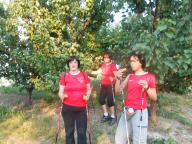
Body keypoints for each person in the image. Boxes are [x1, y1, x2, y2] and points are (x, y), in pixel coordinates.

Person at [115, 52, 157, 144]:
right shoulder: (130, 76)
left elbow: (154, 97)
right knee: (119, 140)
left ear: (141, 62)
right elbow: (118, 90)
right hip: (127, 111)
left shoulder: (150, 76)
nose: (131, 63)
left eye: (134, 61)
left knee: (139, 141)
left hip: (140, 112)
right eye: (131, 61)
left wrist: (147, 87)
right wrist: (117, 78)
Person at [58, 55, 91, 144]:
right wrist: (62, 96)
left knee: (81, 133)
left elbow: (88, 90)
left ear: (78, 64)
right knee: (69, 132)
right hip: (67, 108)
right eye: (71, 62)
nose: (73, 64)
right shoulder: (64, 76)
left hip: (82, 108)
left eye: (75, 62)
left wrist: (87, 96)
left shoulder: (84, 75)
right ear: (68, 64)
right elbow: (60, 92)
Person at [91, 52, 117, 126]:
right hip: (103, 85)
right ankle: (106, 115)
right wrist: (88, 72)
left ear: (110, 58)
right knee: (101, 100)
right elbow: (97, 72)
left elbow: (116, 75)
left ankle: (113, 117)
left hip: (110, 86)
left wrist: (114, 79)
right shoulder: (103, 65)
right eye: (104, 57)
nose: (105, 59)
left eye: (107, 57)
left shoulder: (113, 66)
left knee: (110, 101)